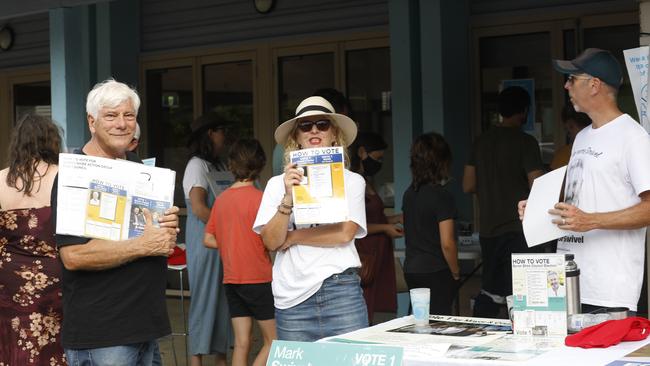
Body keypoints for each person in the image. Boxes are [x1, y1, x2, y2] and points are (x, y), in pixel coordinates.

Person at [52, 79, 180, 365]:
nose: (122, 124)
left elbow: (152, 239)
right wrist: (143, 244)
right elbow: (73, 256)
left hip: (146, 328)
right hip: (103, 336)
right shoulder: (75, 175)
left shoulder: (138, 168)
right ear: (92, 122)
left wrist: (165, 230)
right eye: (111, 116)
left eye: (129, 115)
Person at [519, 48, 650, 314]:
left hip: (609, 294)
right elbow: (577, 204)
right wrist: (538, 211)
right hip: (567, 283)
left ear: (594, 85)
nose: (566, 86)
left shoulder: (633, 138)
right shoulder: (582, 137)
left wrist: (591, 221)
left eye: (572, 79)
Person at [253, 96, 368, 341]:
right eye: (305, 126)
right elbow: (271, 242)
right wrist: (288, 199)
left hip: (341, 290)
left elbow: (344, 233)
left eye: (322, 124)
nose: (314, 130)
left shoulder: (353, 181)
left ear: (335, 134)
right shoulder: (277, 185)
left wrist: (293, 237)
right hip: (292, 295)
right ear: (296, 137)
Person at [462, 86, 545, 318]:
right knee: (525, 296)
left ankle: (483, 337)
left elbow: (467, 185)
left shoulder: (481, 142)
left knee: (491, 291)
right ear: (524, 111)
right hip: (520, 230)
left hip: (489, 230)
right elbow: (536, 184)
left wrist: (491, 189)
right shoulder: (525, 142)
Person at [0, 115, 66, 365]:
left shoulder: (0, 179)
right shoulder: (62, 176)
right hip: (54, 277)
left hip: (8, 280)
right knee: (52, 347)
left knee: (11, 342)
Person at [204, 138, 276, 366]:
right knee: (274, 340)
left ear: (231, 164)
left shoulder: (221, 199)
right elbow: (271, 239)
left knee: (242, 342)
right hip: (259, 278)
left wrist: (232, 242)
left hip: (232, 279)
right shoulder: (261, 199)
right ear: (261, 164)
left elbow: (208, 239)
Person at [182, 112, 234, 366]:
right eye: (221, 129)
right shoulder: (196, 166)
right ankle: (196, 361)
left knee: (224, 303)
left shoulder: (218, 164)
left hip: (222, 240)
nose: (225, 135)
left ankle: (221, 360)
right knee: (204, 301)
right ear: (210, 134)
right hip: (205, 241)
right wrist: (229, 227)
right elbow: (200, 208)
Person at [402, 132, 460, 316]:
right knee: (440, 325)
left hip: (412, 269)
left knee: (420, 323)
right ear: (442, 162)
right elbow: (447, 243)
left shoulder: (409, 193)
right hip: (437, 270)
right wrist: (456, 272)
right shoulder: (442, 195)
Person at [349, 131, 402, 323]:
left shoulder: (366, 181)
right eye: (377, 157)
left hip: (378, 252)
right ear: (362, 152)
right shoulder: (353, 182)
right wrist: (385, 228)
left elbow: (373, 217)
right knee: (367, 307)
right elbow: (355, 226)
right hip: (366, 254)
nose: (380, 162)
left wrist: (395, 219)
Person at [549, 105, 592, 170]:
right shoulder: (563, 154)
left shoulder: (563, 154)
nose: (568, 132)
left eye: (571, 127)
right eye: (566, 129)